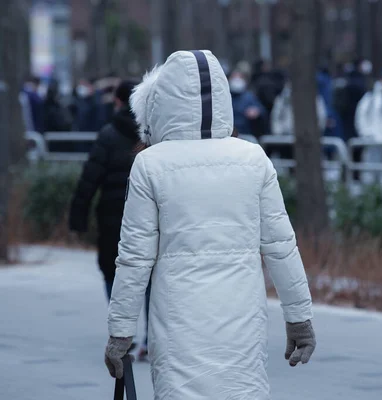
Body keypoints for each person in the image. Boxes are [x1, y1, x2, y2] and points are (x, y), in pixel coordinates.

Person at [104, 50, 316, 399]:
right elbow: (281, 246)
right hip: (242, 319)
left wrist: (121, 332)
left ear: (162, 103)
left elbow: (134, 258)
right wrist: (298, 317)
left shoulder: (150, 165)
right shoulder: (252, 159)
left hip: (177, 322)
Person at [69, 80, 140, 300]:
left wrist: (77, 220)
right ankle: (150, 333)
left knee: (112, 269)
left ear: (117, 101)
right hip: (146, 216)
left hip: (112, 216)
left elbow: (89, 180)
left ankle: (118, 328)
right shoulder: (152, 134)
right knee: (150, 274)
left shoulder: (108, 134)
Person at [229, 69, 267, 137]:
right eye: (234, 77)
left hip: (246, 134)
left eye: (240, 77)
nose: (237, 80)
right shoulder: (225, 96)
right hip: (229, 135)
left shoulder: (249, 97)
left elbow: (262, 111)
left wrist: (256, 112)